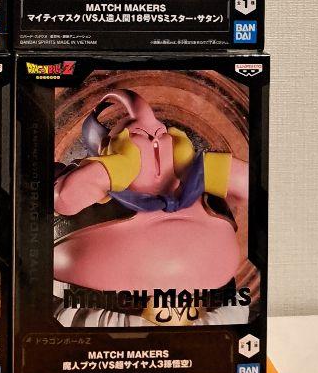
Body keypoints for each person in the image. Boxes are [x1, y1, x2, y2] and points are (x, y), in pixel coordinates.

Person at [54, 89, 247, 304]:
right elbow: (65, 200)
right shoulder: (93, 181)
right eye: (139, 135)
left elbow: (250, 186)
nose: (155, 139)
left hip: (211, 303)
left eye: (162, 134)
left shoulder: (200, 179)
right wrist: (114, 169)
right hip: (97, 305)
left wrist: (200, 168)